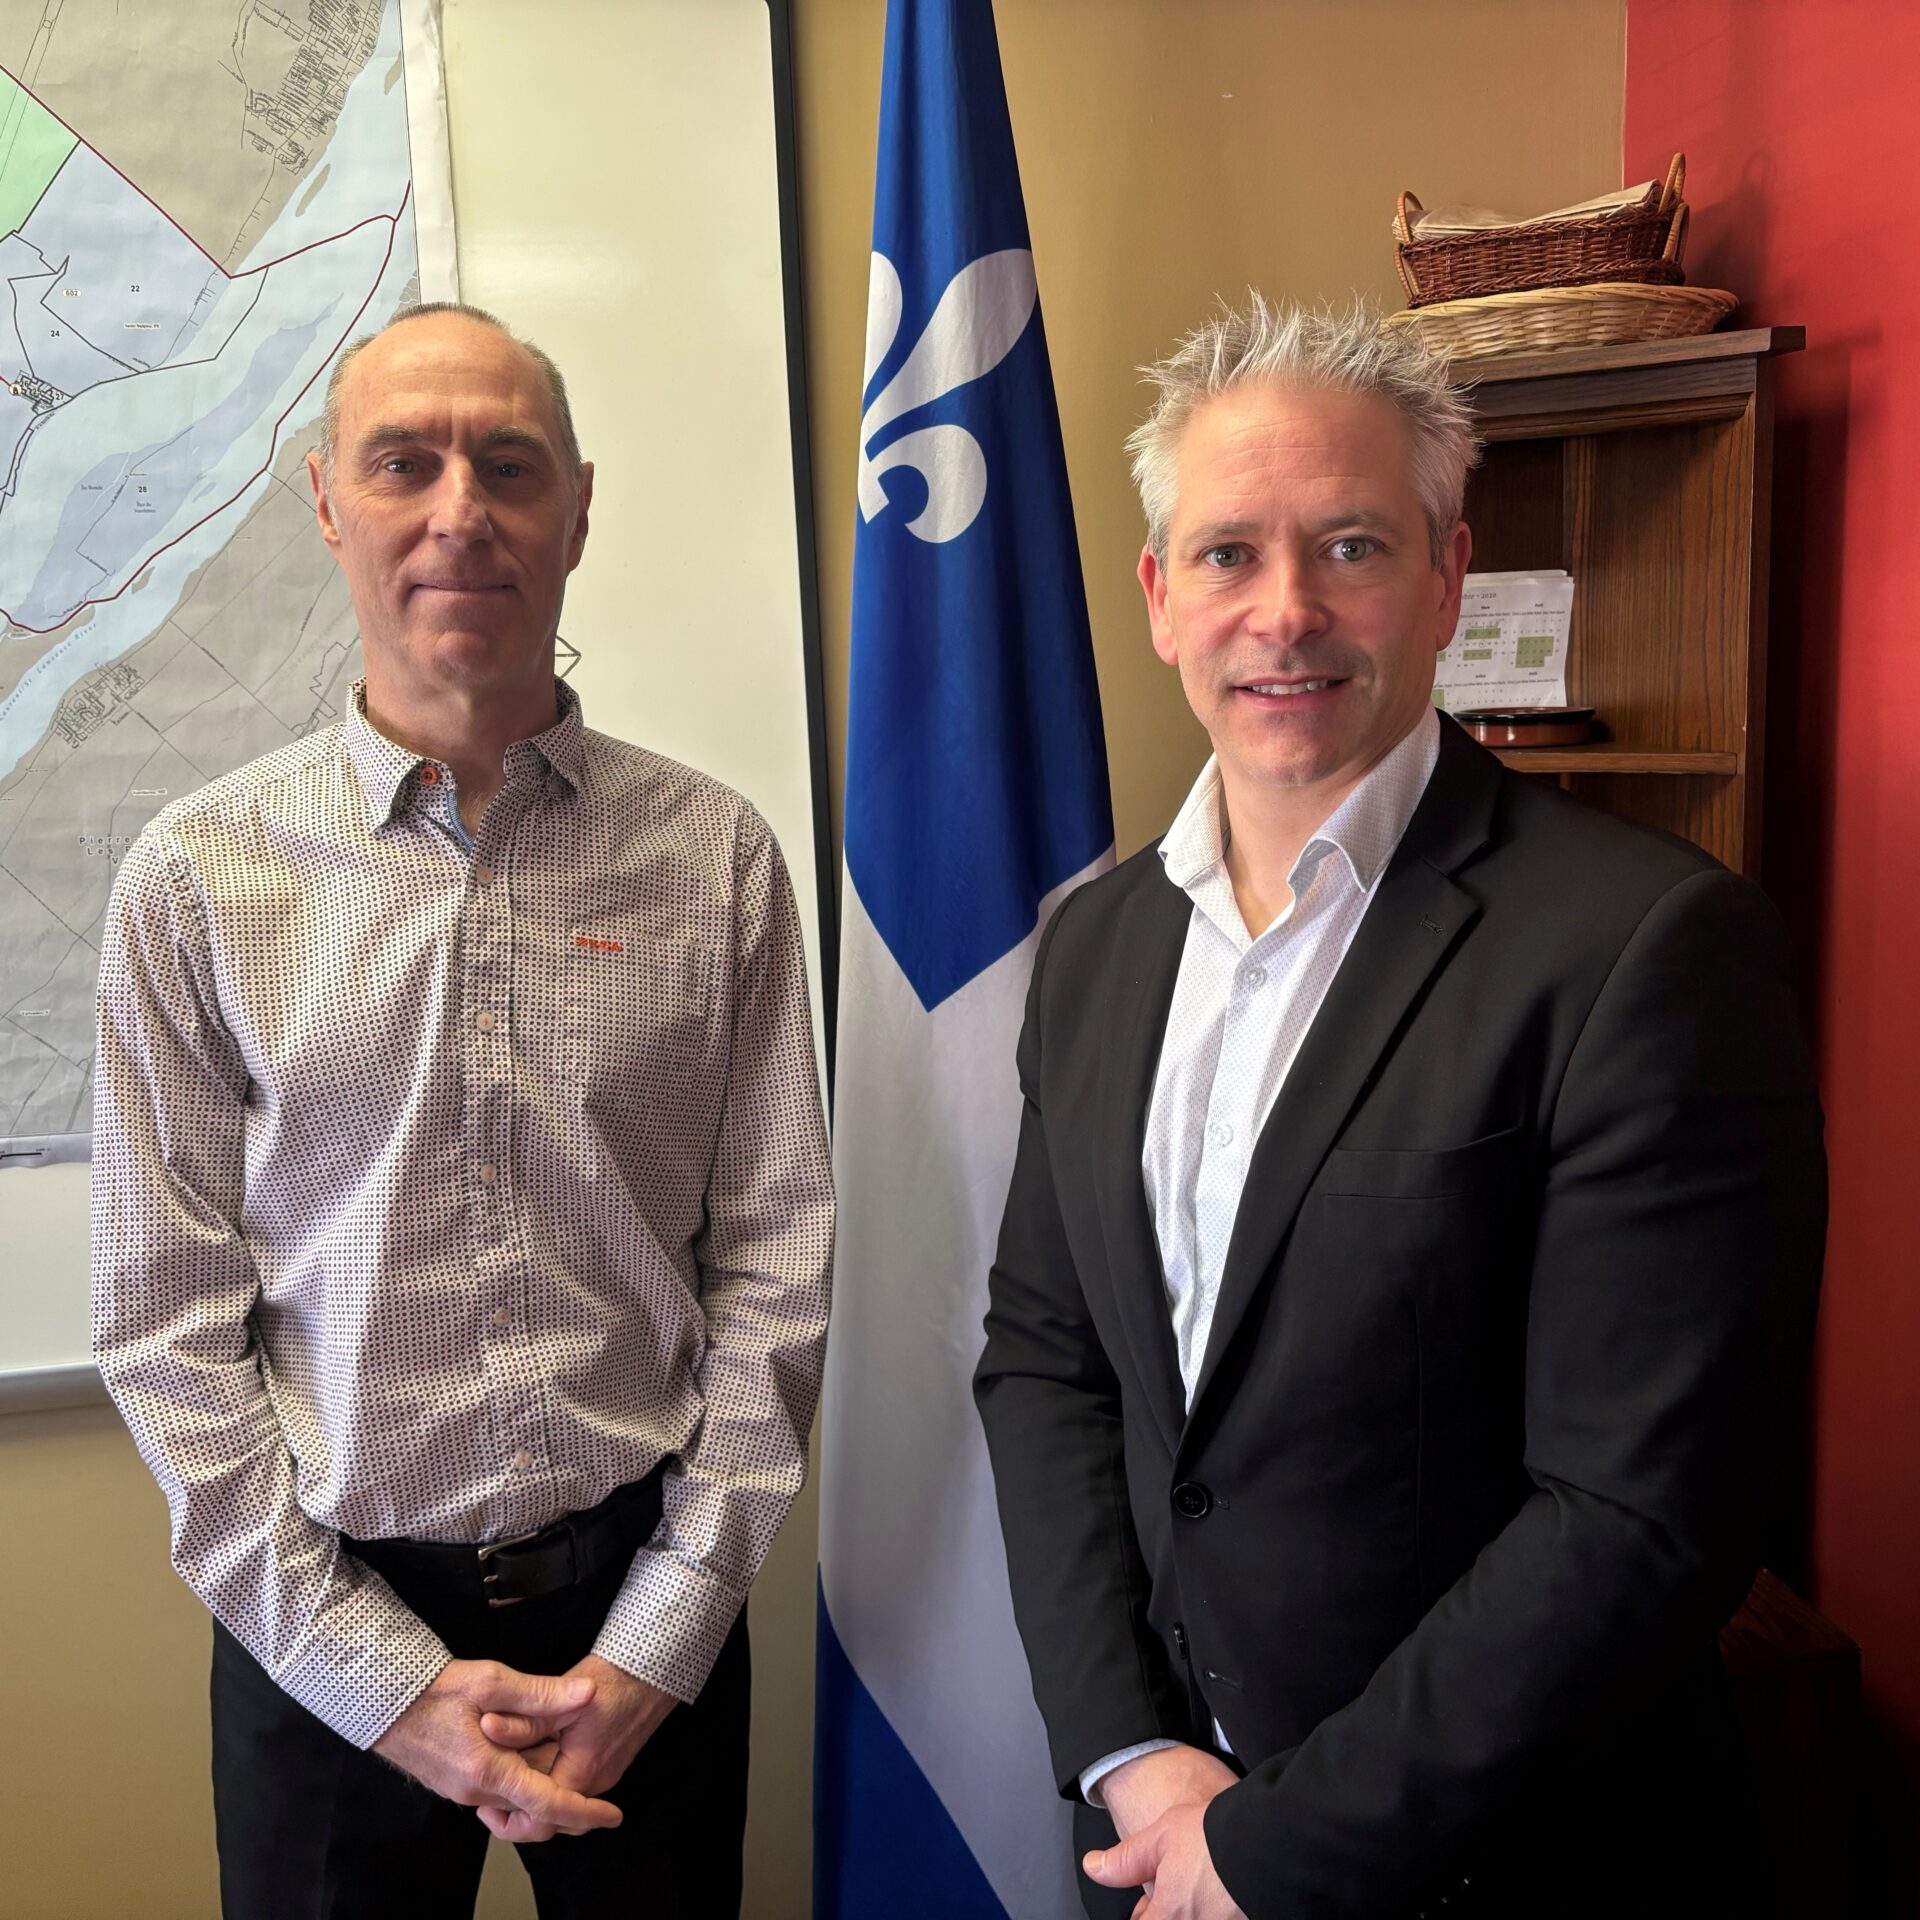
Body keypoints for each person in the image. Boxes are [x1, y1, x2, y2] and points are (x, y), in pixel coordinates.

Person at [973, 296, 1825, 1920]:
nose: (1285, 612)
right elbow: (1047, 1361)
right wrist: (1132, 1758)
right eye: (1228, 554)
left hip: (1502, 1859)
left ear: (1446, 578)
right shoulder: (1097, 943)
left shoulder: (1646, 945)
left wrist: (1273, 1850)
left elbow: (1643, 1509)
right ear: (1160, 600)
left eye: (1351, 545)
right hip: (1158, 1834)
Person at [91, 303, 833, 1920]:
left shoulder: (716, 860)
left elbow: (778, 1270)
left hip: (645, 1616)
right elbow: (163, 1323)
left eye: (508, 464)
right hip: (320, 1640)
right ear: (326, 502)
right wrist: (380, 1681)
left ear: (578, 507)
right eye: (402, 464)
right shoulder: (197, 879)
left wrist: (662, 1638)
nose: (459, 512)